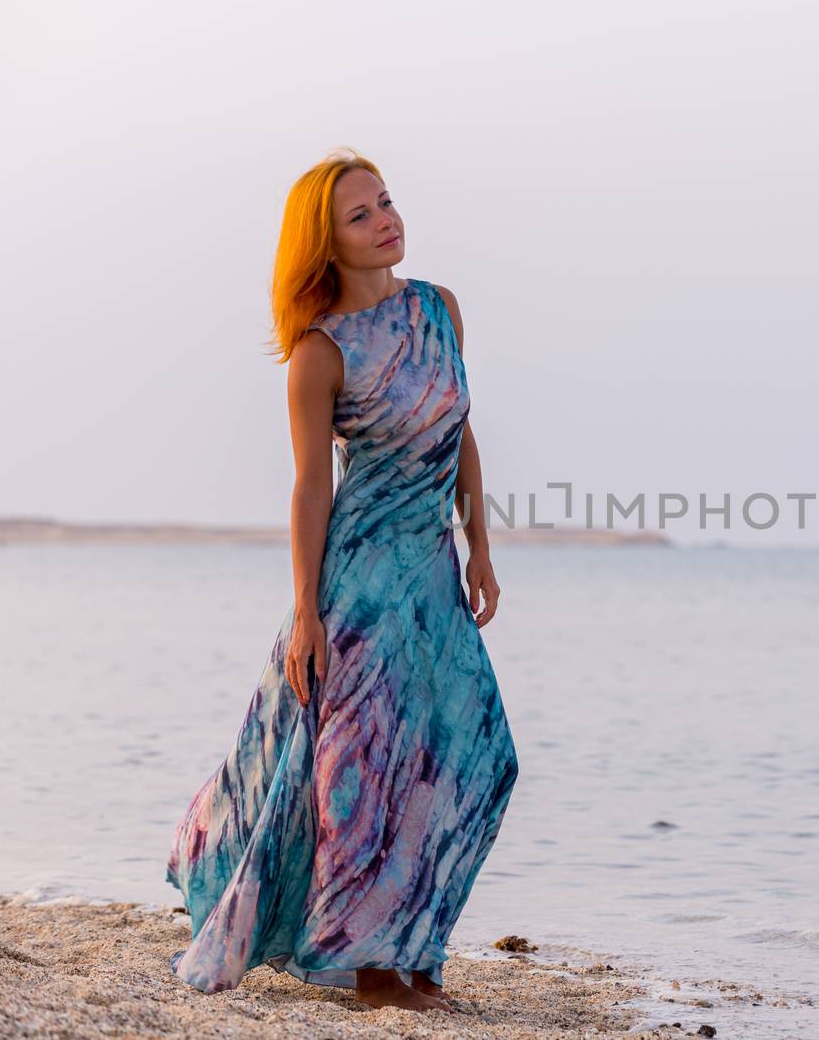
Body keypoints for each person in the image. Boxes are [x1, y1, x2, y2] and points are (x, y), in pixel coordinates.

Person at [164, 147, 519, 1014]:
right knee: (363, 767)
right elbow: (311, 486)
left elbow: (460, 429)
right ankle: (372, 972)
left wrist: (480, 547)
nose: (385, 221)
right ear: (325, 243)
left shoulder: (440, 310)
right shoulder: (320, 354)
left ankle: (411, 947)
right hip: (358, 576)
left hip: (431, 569)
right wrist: (306, 611)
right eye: (360, 215)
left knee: (477, 758)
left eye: (386, 202)